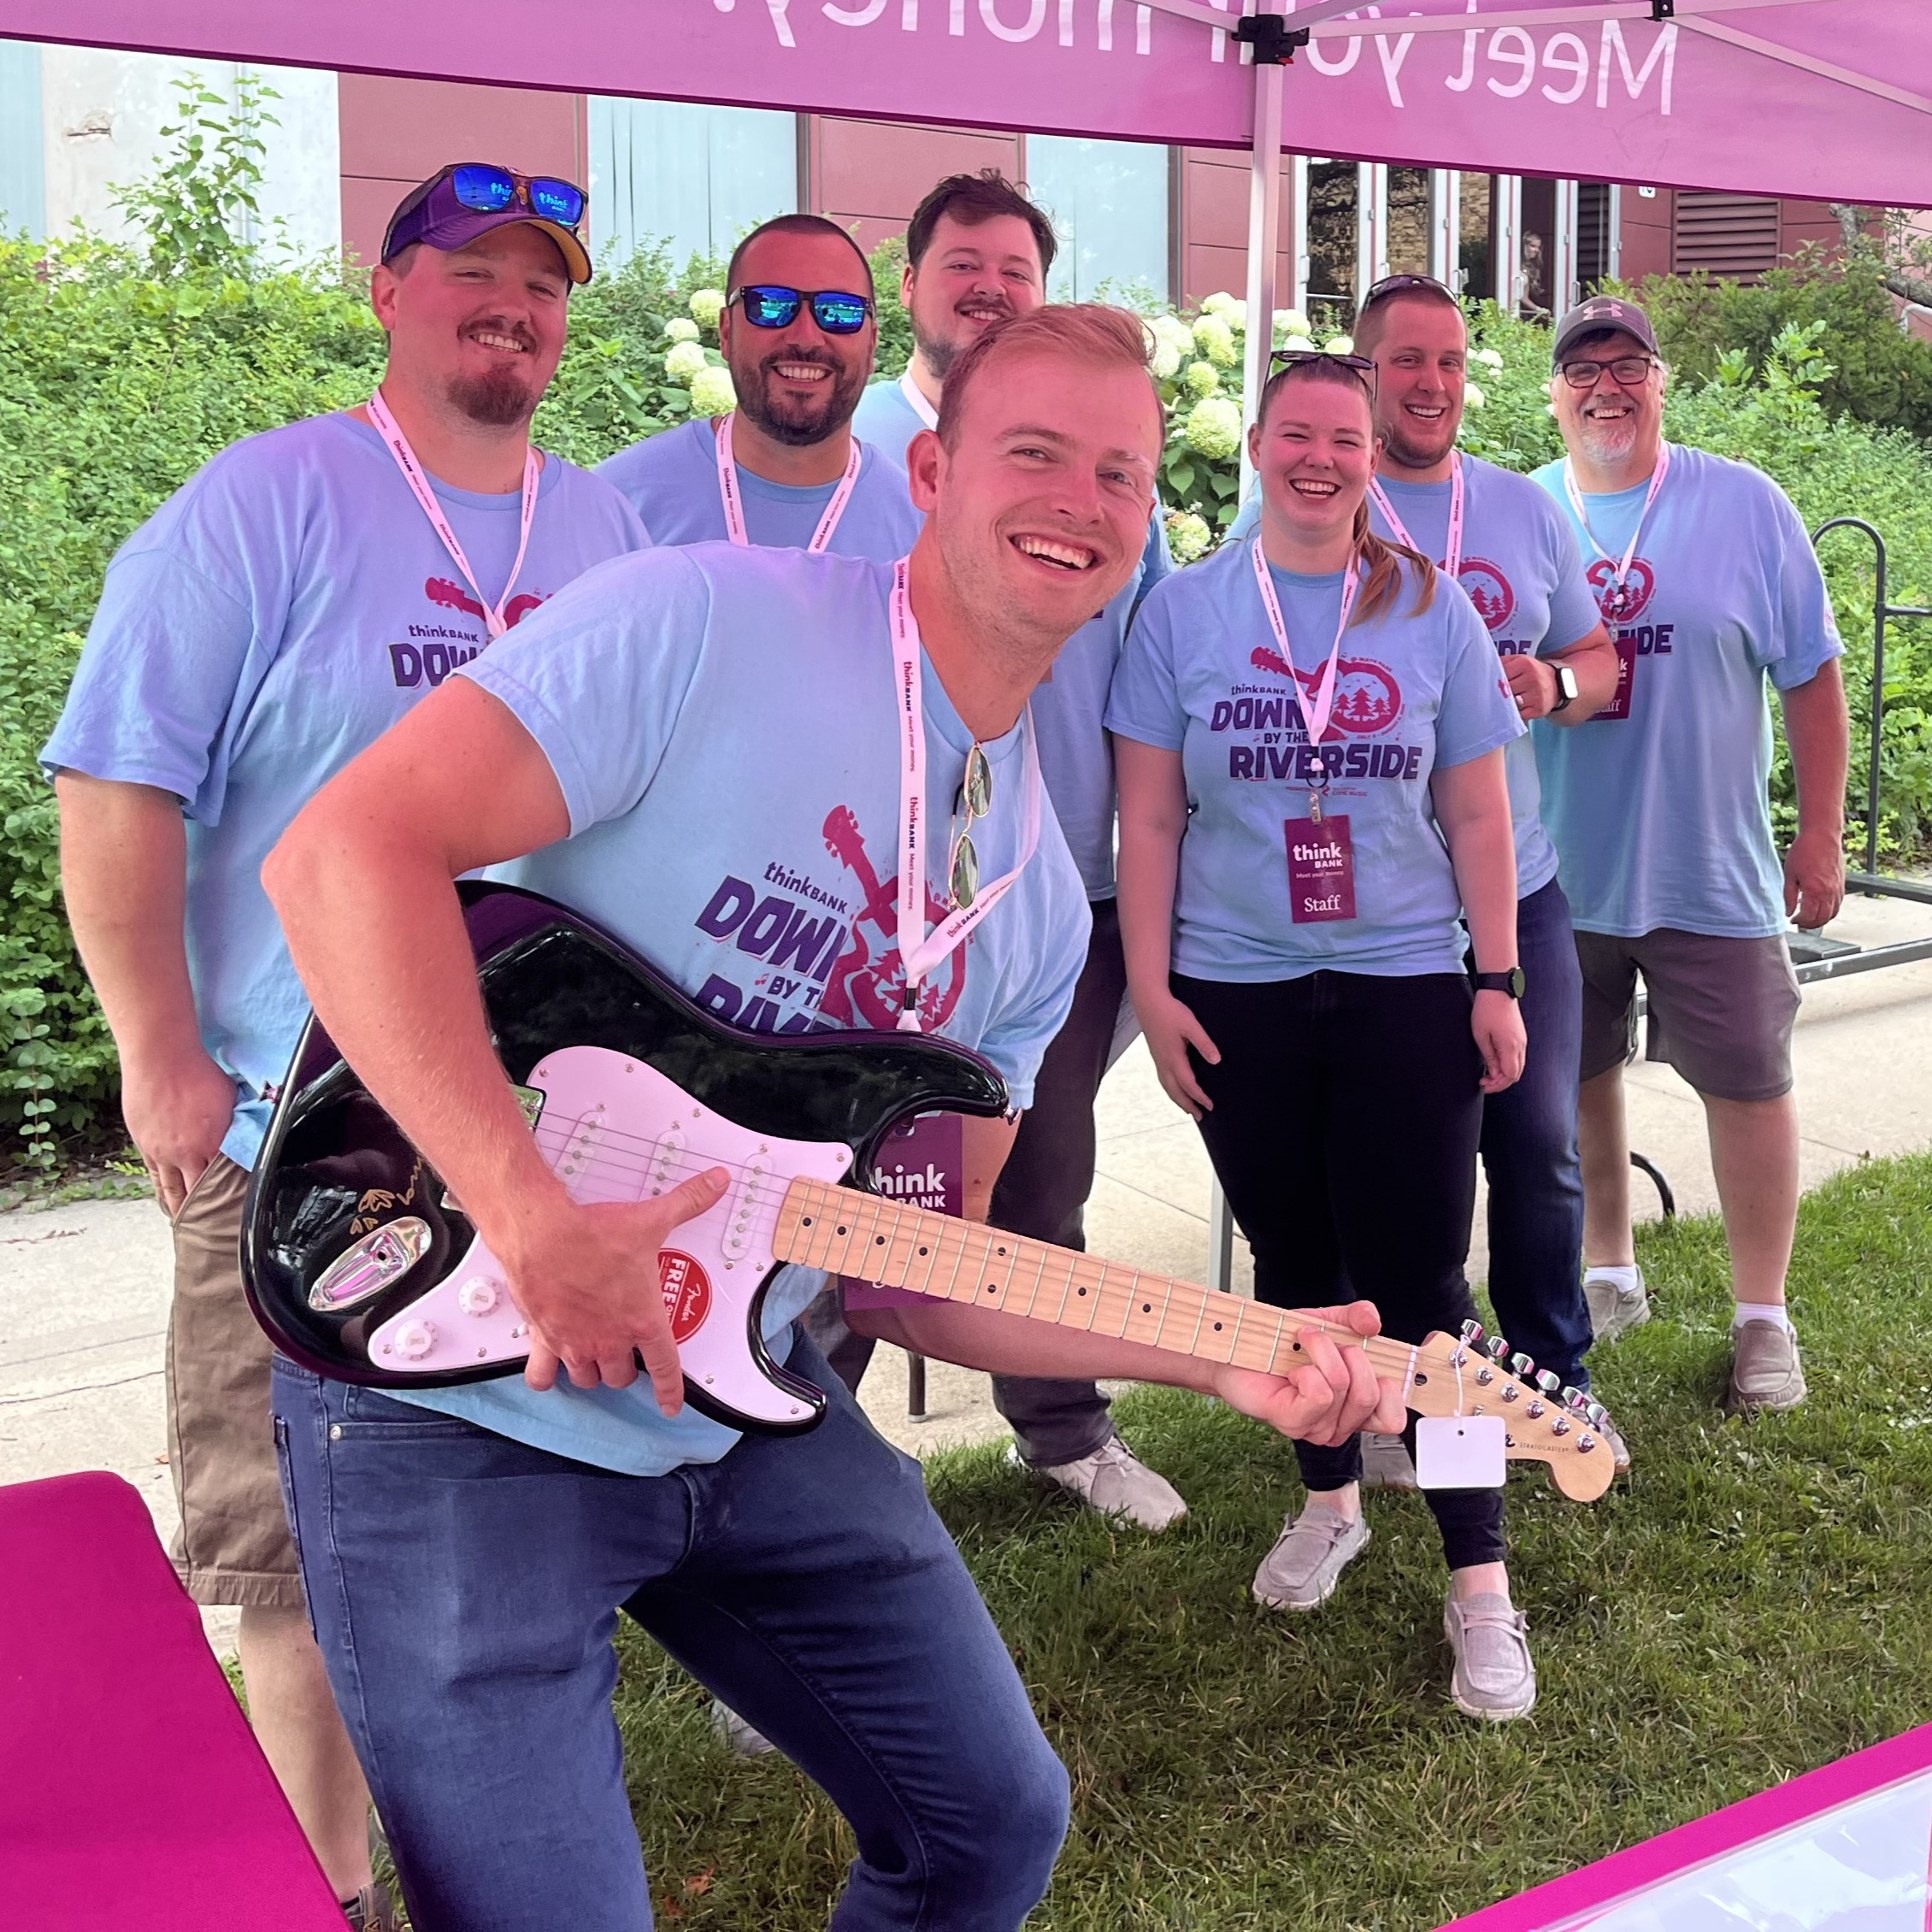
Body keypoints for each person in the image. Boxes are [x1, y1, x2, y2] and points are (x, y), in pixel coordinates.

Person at [261, 305, 1406, 1932]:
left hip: (746, 1398)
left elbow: (919, 1278)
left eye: (1122, 472)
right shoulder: (701, 621)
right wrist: (527, 1213)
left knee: (990, 1828)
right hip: (457, 1390)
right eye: (1034, 451)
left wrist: (1217, 1351)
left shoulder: (1031, 911)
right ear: (927, 469)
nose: (1079, 496)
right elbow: (340, 857)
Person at [43, 163, 647, 1930]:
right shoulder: (260, 507)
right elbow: (114, 780)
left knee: (508, 1526)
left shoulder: (606, 536)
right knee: (297, 1551)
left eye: (541, 285)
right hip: (299, 1131)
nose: (510, 305)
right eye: (470, 269)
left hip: (541, 1130)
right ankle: (330, 1885)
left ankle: (497, 1846)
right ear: (385, 291)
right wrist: (159, 1054)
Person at [1111, 350, 1541, 1722]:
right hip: (1235, 988)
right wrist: (1154, 990)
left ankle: (1481, 1579)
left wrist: (1498, 975)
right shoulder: (1182, 614)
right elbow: (1152, 822)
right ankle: (1332, 1500)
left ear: (1371, 454)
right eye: (1295, 433)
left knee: (1428, 1293)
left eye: (1343, 437)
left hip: (1410, 979)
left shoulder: (1431, 611)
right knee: (1294, 1274)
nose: (1320, 458)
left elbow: (1479, 816)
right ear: (1253, 443)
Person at [843, 168, 1188, 1530]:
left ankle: (1063, 1432)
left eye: (1015, 273)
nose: (987, 290)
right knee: (849, 1196)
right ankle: (793, 1468)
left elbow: (1156, 667)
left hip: (1063, 900)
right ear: (913, 283)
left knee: (1041, 1174)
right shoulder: (856, 453)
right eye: (961, 267)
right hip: (879, 898)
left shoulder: (1122, 489)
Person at [1235, 275, 1621, 1481]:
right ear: (1361, 377)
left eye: (1451, 361)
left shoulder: (1522, 510)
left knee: (1537, 1144)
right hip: (1368, 915)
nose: (1432, 384)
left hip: (1519, 890)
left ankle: (1556, 1379)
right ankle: (1382, 1395)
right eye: (1404, 362)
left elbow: (1599, 658)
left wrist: (1548, 688)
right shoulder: (1311, 506)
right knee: (1378, 1177)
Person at [1532, 296, 1850, 1416]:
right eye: (1583, 369)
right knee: (1577, 1080)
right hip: (1556, 872)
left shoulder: (1746, 506)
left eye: (1629, 366)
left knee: (1752, 1084)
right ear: (1554, 392)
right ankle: (1609, 1273)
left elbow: (1810, 673)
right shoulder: (1525, 514)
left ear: (1663, 382)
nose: (1606, 387)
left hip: (1710, 869)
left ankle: (1763, 1317)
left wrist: (1820, 832)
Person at [597, 214, 921, 558]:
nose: (806, 338)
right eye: (771, 305)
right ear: (726, 332)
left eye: (839, 311)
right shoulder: (616, 506)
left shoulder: (922, 532)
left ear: (871, 344)